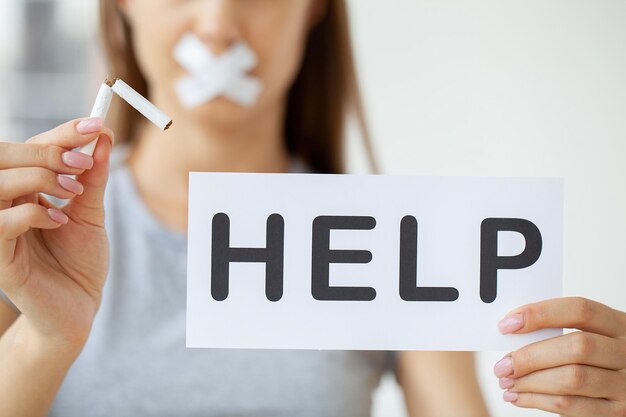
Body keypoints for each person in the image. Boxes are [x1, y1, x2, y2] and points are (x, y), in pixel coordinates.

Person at [0, 1, 623, 416]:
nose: (218, 24)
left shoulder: (395, 241)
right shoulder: (31, 237)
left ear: (314, 7)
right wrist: (45, 340)